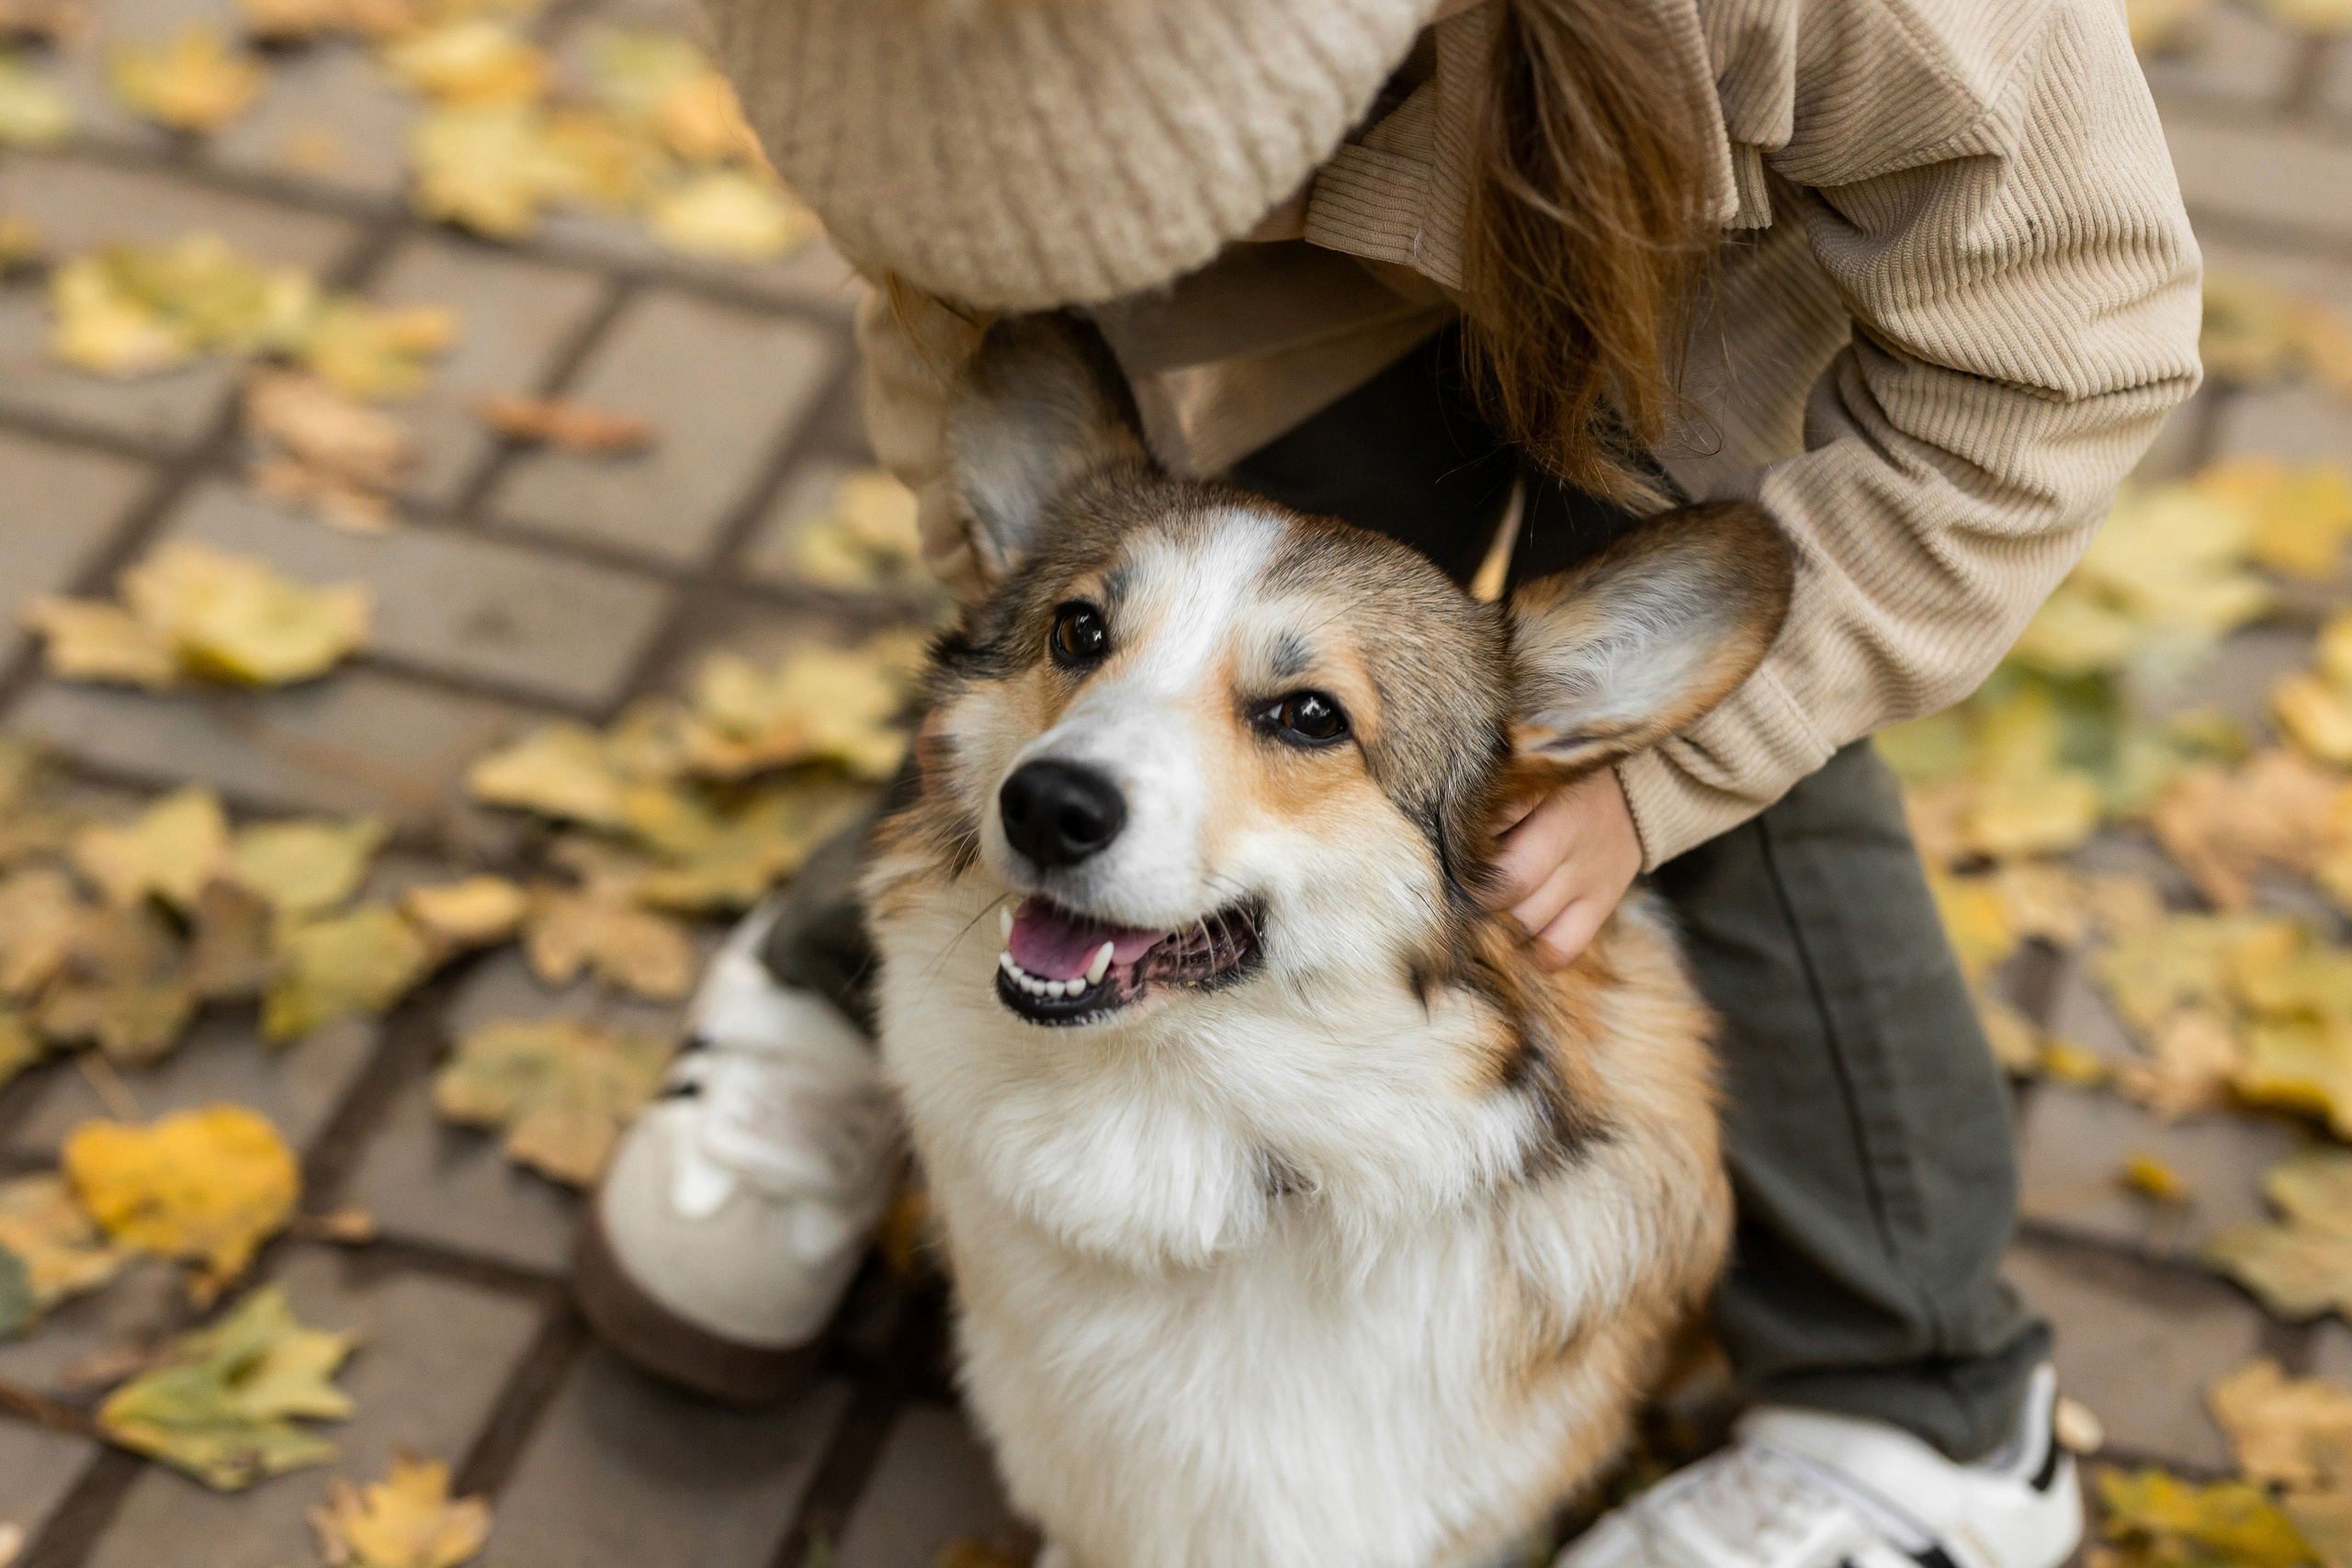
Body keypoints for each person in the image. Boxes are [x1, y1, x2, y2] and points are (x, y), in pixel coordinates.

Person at [569, 2, 2202, 1563]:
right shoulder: (942, 102)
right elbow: (964, 325)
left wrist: (1684, 772)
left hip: (1752, 236)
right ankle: (826, 995)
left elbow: (2081, 342)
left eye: (1296, 720)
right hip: (1286, 286)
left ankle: (1930, 1416)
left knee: (1761, 779)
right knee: (1116, 637)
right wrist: (1023, 607)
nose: (1094, 773)